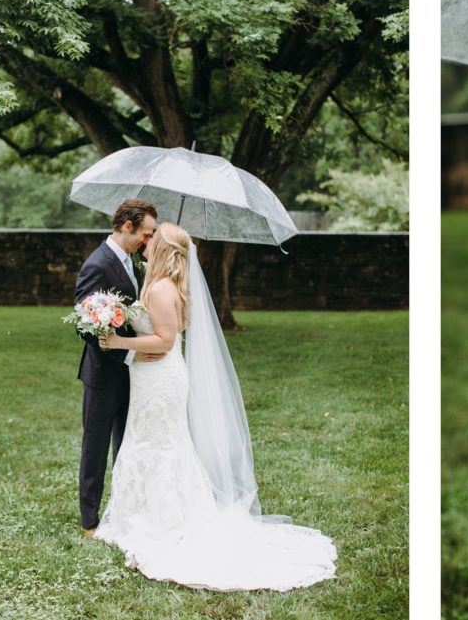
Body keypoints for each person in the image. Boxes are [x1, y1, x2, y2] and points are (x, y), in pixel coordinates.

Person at [95, 223, 336, 591]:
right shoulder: (168, 286)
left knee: (158, 444)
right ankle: (145, 512)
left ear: (163, 250)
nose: (146, 241)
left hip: (159, 378)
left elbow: (163, 340)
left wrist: (115, 343)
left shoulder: (160, 288)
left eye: (152, 238)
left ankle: (158, 521)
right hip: (157, 375)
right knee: (160, 442)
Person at [75, 198, 159, 537]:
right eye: (147, 233)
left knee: (127, 442)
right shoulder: (97, 264)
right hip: (103, 373)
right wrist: (124, 354)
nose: (148, 240)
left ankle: (124, 508)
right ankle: (89, 520)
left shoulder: (133, 261)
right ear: (128, 226)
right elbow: (84, 325)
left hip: (133, 373)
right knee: (95, 446)